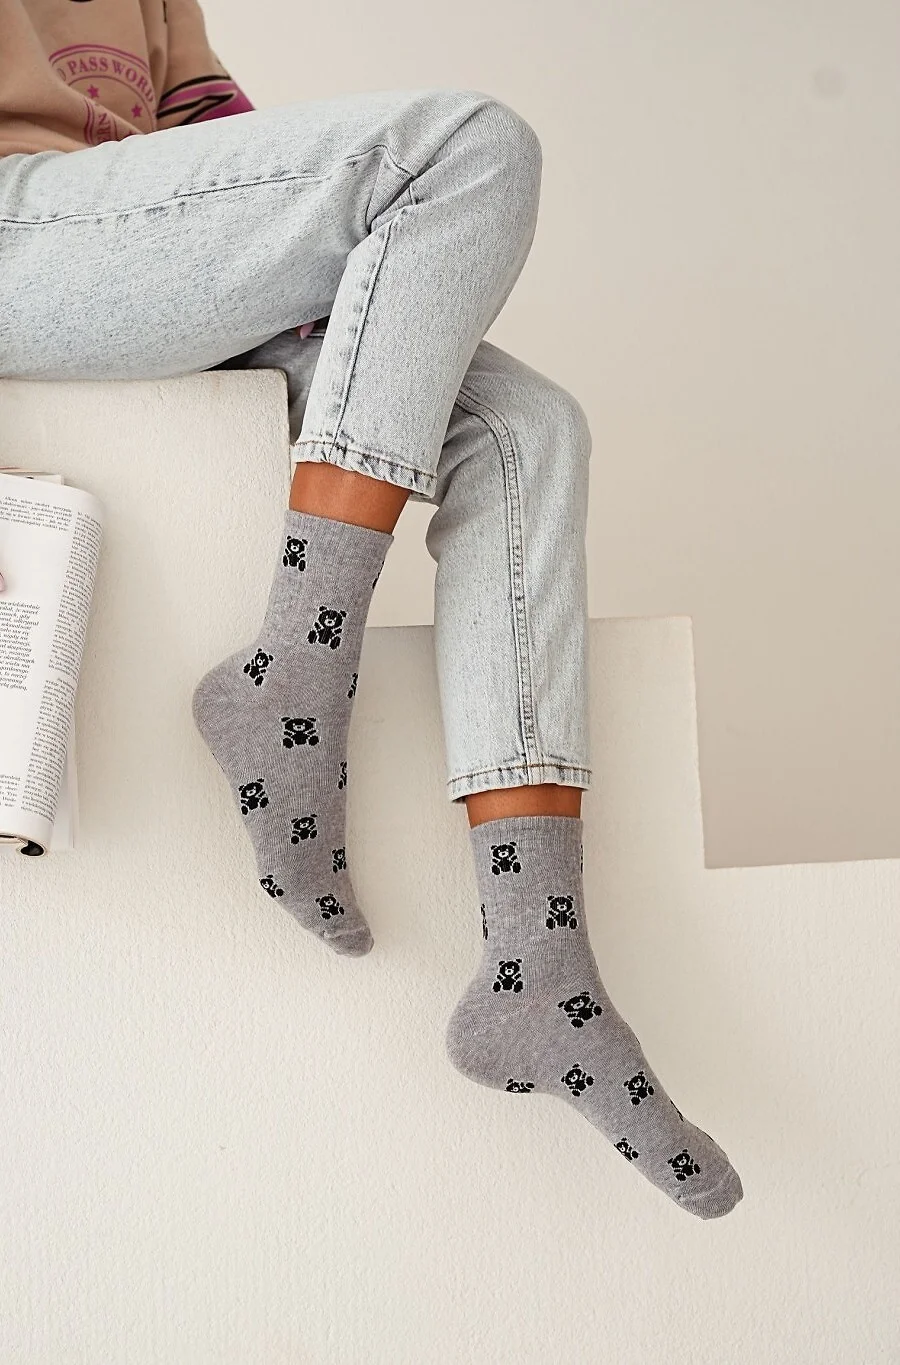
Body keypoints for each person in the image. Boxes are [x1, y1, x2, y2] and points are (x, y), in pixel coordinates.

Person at [0, 0, 742, 1218]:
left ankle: (538, 964)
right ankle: (299, 663)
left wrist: (320, 253)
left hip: (133, 241)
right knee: (465, 144)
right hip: (22, 231)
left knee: (527, 432)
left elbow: (206, 131)